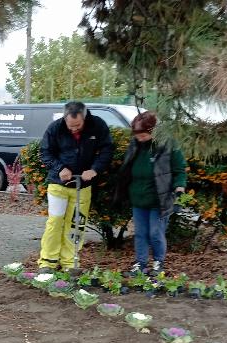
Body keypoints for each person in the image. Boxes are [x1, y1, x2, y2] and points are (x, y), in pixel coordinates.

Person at [38, 101, 114, 273]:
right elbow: (45, 152)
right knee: (55, 222)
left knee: (76, 224)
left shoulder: (98, 126)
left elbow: (107, 149)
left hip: (83, 186)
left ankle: (70, 263)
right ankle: (47, 263)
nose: (74, 129)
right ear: (65, 118)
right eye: (70, 125)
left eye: (78, 125)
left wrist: (95, 169)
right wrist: (59, 168)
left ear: (85, 117)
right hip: (58, 185)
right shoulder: (55, 128)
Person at [115, 111, 187, 275]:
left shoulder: (168, 145)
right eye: (136, 135)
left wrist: (179, 187)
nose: (139, 138)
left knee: (155, 233)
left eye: (142, 135)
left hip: (160, 199)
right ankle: (140, 264)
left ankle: (158, 263)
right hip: (138, 199)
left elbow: (179, 170)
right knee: (140, 233)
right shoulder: (135, 145)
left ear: (153, 131)